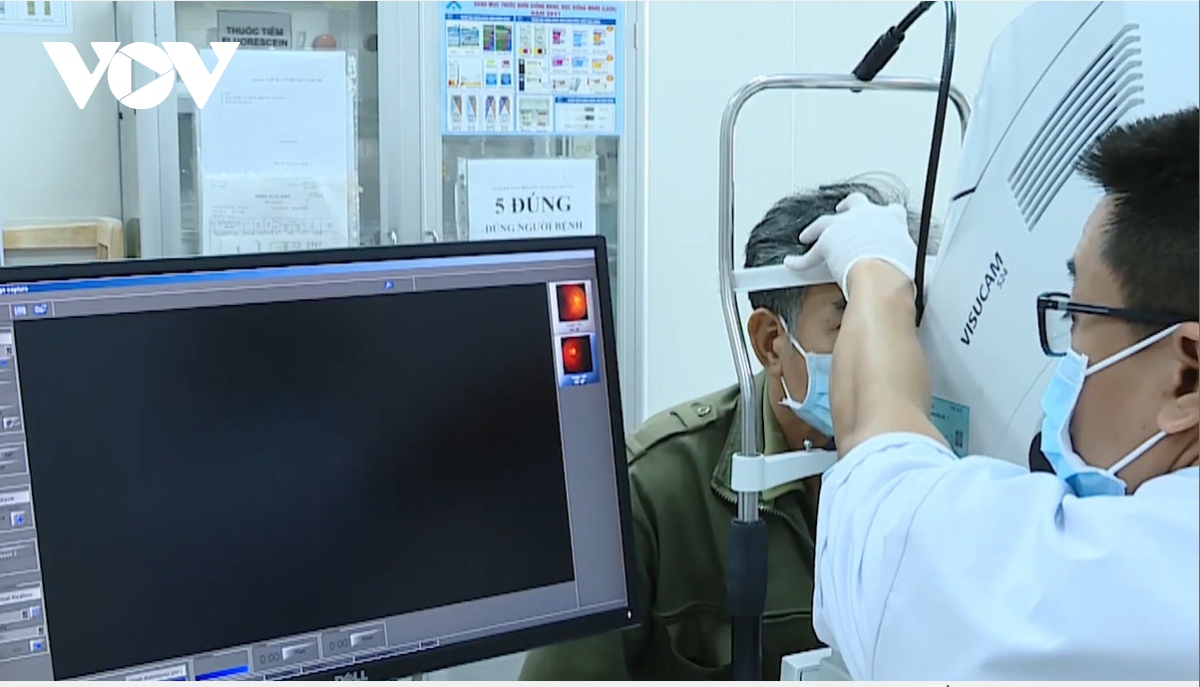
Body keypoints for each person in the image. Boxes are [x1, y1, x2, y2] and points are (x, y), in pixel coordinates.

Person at [788, 107, 1199, 679]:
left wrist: (875, 276)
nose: (1067, 360)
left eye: (1076, 316)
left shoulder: (1121, 588)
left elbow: (885, 508)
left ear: (1187, 377)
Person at [518, 177, 932, 681]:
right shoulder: (652, 491)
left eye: (899, 321)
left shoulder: (932, 483)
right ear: (771, 342)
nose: (886, 347)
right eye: (853, 320)